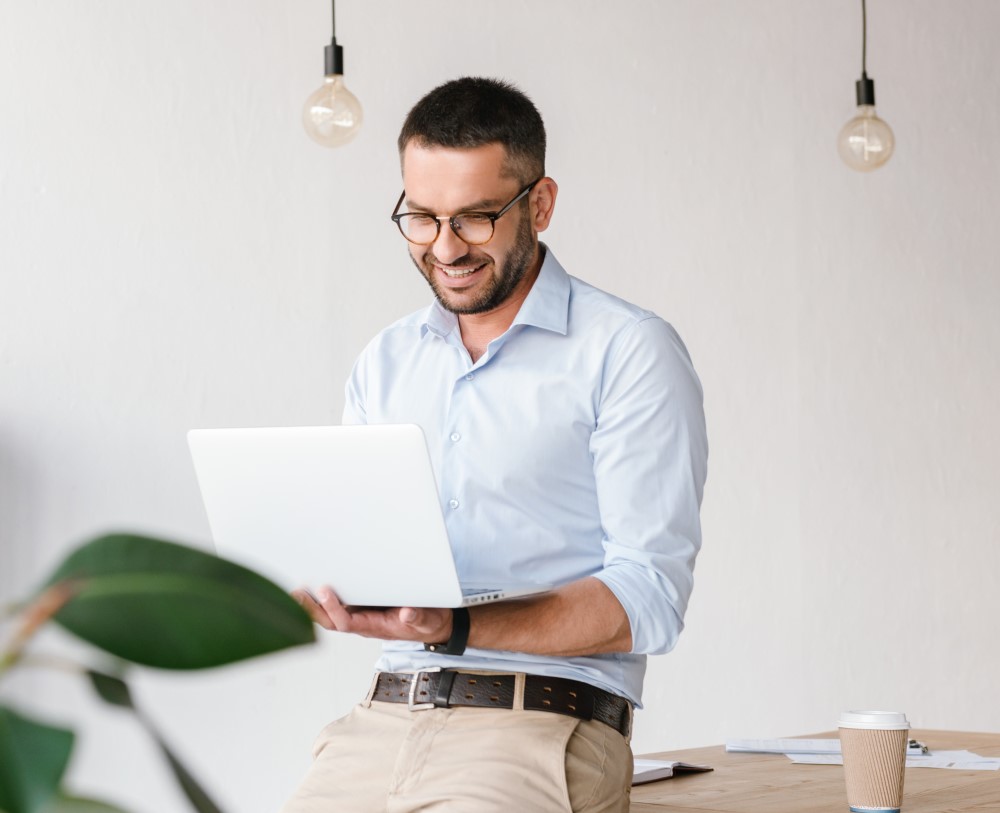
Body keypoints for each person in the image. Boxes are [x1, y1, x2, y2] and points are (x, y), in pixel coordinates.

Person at [284, 76, 708, 813]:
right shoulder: (385, 362)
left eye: (476, 218)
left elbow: (649, 596)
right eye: (421, 217)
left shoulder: (627, 351)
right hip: (377, 725)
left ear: (539, 204)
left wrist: (457, 627)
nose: (444, 248)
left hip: (539, 725)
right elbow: (368, 555)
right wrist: (327, 585)